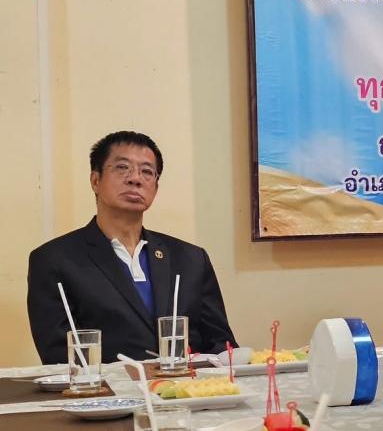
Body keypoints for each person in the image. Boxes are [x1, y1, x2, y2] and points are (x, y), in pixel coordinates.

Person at [27, 131, 237, 364]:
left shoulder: (191, 259)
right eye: (122, 168)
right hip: (104, 387)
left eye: (147, 171)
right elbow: (58, 358)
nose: (135, 178)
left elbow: (222, 347)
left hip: (187, 384)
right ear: (95, 181)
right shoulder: (54, 259)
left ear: (155, 187)